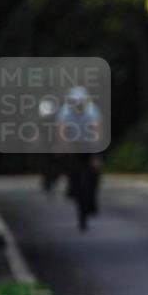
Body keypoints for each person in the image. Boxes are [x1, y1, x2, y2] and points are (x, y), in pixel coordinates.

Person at [56, 86, 104, 229]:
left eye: (80, 103)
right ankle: (71, 185)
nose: (78, 106)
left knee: (96, 170)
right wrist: (64, 145)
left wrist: (96, 152)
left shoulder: (92, 110)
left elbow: (97, 130)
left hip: (89, 143)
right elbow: (61, 130)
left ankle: (93, 198)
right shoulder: (65, 111)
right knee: (68, 164)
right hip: (73, 144)